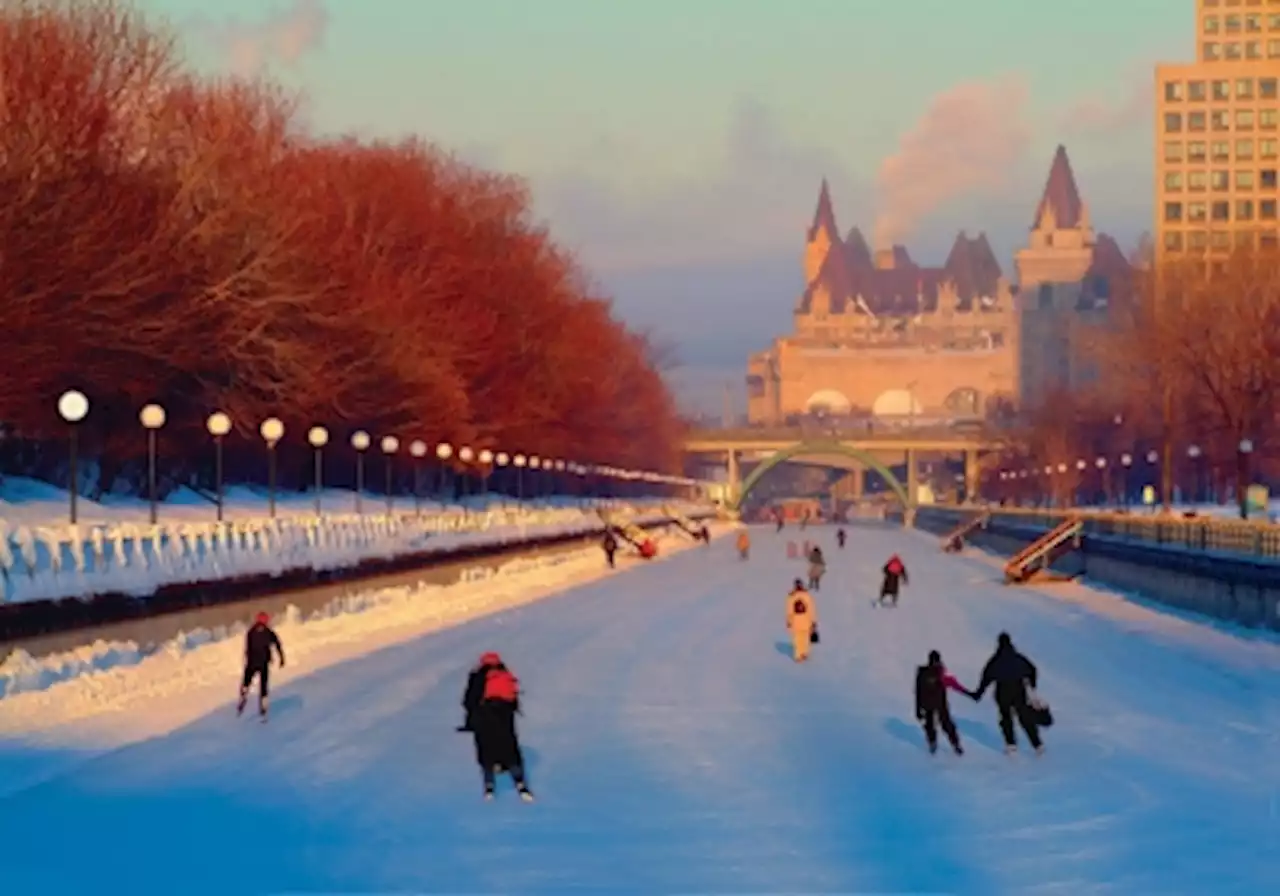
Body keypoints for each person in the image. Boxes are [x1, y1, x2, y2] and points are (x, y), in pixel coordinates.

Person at [461, 651, 535, 801]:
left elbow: (469, 700)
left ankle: (489, 785)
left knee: (486, 747)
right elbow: (513, 699)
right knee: (509, 745)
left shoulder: (478, 675)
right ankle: (520, 782)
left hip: (484, 716)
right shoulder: (505, 673)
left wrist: (470, 722)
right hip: (505, 716)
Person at [972, 632, 1044, 755]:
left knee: (1006, 718)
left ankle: (1011, 745)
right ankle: (1037, 745)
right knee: (1025, 717)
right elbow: (1032, 670)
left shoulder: (995, 660)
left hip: (1002, 692)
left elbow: (986, 677)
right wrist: (1032, 684)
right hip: (1018, 690)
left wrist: (979, 693)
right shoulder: (1018, 657)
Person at [915, 650, 974, 755]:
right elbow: (955, 685)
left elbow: (918, 691)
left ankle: (933, 743)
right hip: (940, 703)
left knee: (930, 725)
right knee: (946, 724)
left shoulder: (922, 673)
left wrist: (918, 709)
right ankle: (956, 745)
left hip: (928, 704)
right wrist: (970, 694)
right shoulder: (940, 673)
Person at [238, 611, 285, 719]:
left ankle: (244, 693)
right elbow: (277, 644)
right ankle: (263, 702)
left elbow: (247, 647)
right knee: (264, 683)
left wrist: (247, 658)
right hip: (263, 662)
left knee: (247, 679)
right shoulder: (269, 632)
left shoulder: (251, 631)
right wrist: (282, 658)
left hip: (252, 662)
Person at [785, 578, 817, 662]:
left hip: (799, 621)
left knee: (801, 638)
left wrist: (789, 621)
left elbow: (790, 610)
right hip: (802, 621)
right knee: (802, 638)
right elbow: (810, 609)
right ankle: (801, 654)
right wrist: (813, 621)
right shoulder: (804, 596)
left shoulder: (793, 596)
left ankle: (800, 654)